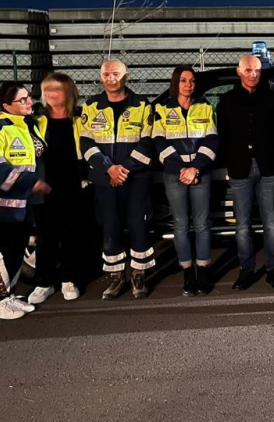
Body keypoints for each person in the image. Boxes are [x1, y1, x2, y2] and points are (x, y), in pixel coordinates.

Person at [0, 83, 51, 319]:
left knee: (15, 250)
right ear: (6, 106)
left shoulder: (24, 124)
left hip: (17, 202)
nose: (29, 102)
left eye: (28, 97)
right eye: (22, 100)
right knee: (8, 252)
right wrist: (30, 183)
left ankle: (7, 295)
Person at [80, 60, 154, 299]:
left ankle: (139, 275)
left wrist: (123, 170)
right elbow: (86, 143)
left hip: (136, 179)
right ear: (101, 77)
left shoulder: (142, 105)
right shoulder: (91, 106)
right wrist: (108, 169)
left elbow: (148, 142)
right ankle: (115, 277)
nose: (111, 78)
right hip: (104, 180)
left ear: (126, 76)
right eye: (106, 74)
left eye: (116, 74)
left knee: (138, 224)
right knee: (110, 227)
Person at [216, 55, 274, 290]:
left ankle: (273, 269)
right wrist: (231, 161)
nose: (253, 74)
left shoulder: (270, 99)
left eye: (256, 70)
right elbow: (223, 136)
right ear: (239, 71)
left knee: (270, 222)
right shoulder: (226, 101)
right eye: (248, 70)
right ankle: (246, 270)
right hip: (239, 169)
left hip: (267, 169)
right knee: (243, 225)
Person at [153, 65, 219, 296]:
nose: (188, 84)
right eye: (183, 80)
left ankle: (203, 273)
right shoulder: (161, 109)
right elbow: (159, 143)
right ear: (175, 83)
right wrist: (182, 168)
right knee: (181, 225)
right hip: (175, 175)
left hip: (200, 173)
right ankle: (187, 275)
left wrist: (195, 167)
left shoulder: (205, 106)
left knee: (201, 224)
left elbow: (212, 140)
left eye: (191, 80)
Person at [27, 73, 87, 305]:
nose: (51, 94)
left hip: (73, 183)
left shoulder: (81, 117)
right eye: (47, 89)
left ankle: (69, 280)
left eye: (57, 89)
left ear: (69, 92)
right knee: (46, 235)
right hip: (43, 186)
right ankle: (44, 282)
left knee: (72, 232)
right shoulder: (36, 118)